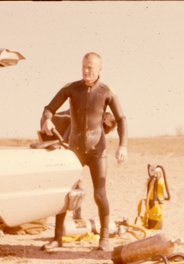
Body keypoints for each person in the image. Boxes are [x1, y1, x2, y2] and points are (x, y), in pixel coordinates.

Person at [40, 52, 128, 251]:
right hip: (75, 150)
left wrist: (123, 145)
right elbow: (49, 107)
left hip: (98, 151)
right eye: (84, 67)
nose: (86, 71)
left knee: (100, 194)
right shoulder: (72, 88)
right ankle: (58, 237)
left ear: (99, 70)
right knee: (66, 192)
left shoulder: (107, 92)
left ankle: (104, 238)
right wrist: (47, 118)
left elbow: (121, 119)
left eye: (90, 67)